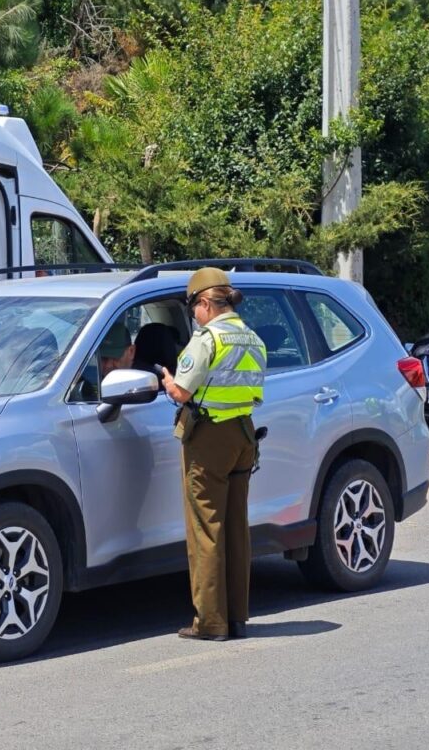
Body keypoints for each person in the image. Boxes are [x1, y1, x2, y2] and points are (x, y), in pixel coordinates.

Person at [161, 267, 267, 641]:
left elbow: (182, 393)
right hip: (244, 433)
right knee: (236, 528)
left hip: (210, 437)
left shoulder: (208, 339)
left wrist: (168, 380)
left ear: (206, 302)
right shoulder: (252, 338)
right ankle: (237, 617)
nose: (193, 314)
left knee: (206, 528)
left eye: (194, 306)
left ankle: (210, 622)